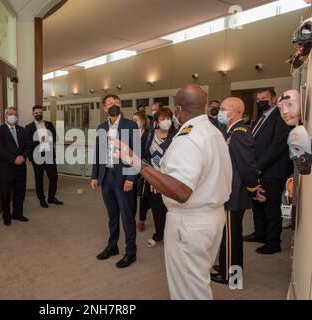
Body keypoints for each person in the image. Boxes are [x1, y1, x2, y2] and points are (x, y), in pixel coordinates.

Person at [114, 84, 232, 299]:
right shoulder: (213, 131)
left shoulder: (188, 138)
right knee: (198, 281)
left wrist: (137, 163)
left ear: (177, 110)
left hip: (189, 223)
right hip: (212, 217)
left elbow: (181, 191)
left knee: (188, 290)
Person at [210, 98, 265, 284]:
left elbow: (247, 166)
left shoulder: (240, 132)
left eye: (224, 109)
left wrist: (253, 189)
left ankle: (231, 276)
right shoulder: (230, 130)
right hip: (230, 190)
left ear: (236, 112)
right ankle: (225, 265)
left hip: (235, 192)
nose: (220, 112)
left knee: (232, 236)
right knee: (228, 234)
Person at [91, 94, 139, 269]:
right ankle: (112, 247)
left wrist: (131, 178)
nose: (113, 106)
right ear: (105, 108)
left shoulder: (131, 125)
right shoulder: (102, 127)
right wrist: (95, 176)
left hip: (123, 178)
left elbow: (136, 154)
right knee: (112, 216)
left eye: (116, 103)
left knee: (127, 217)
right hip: (106, 178)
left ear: (120, 105)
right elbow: (97, 152)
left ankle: (131, 252)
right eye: (110, 104)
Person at [243, 88, 293, 254]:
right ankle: (260, 233)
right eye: (258, 99)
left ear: (273, 100)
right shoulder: (260, 118)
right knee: (258, 203)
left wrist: (258, 167)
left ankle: (273, 242)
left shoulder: (280, 117)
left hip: (272, 171)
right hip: (258, 169)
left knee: (271, 207)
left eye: (263, 98)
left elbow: (276, 147)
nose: (260, 101)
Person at [143, 107, 177, 248]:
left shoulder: (177, 135)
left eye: (168, 118)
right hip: (153, 178)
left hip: (171, 178)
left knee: (172, 210)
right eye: (162, 119)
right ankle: (158, 235)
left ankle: (172, 237)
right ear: (156, 121)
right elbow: (144, 156)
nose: (166, 121)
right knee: (157, 209)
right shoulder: (149, 135)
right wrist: (152, 177)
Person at [0, 107, 29, 226]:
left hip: (21, 167)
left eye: (15, 114)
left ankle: (18, 213)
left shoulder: (22, 130)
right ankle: (6, 216)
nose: (13, 116)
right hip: (6, 168)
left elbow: (27, 147)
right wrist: (14, 159)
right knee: (6, 193)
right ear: (5, 116)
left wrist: (23, 157)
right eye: (10, 114)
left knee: (20, 192)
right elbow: (0, 149)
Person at [25, 105, 63, 208]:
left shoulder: (49, 124)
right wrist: (39, 141)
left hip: (49, 155)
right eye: (36, 113)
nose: (38, 114)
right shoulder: (28, 127)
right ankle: (41, 199)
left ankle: (51, 197)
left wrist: (48, 138)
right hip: (37, 157)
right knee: (39, 178)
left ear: (42, 113)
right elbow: (27, 143)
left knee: (54, 177)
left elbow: (55, 137)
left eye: (40, 112)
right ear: (33, 114)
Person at [132, 111, 150, 232]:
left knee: (143, 195)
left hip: (144, 166)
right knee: (132, 194)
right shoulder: (131, 133)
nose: (134, 122)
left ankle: (142, 220)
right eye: (133, 120)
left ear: (143, 121)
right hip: (132, 166)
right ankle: (131, 218)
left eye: (136, 120)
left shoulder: (148, 134)